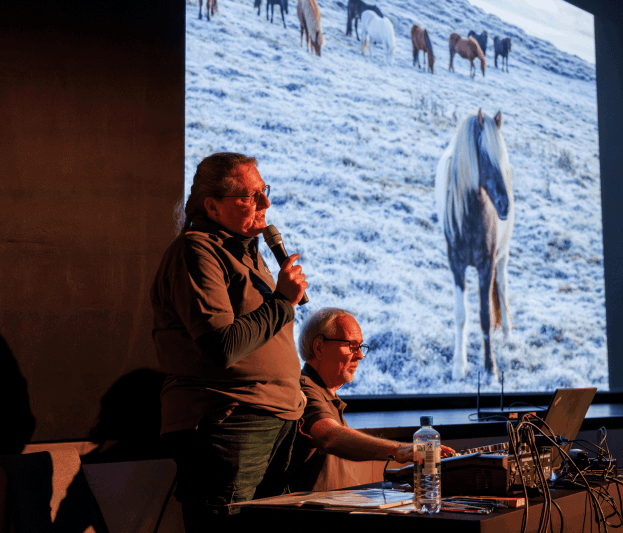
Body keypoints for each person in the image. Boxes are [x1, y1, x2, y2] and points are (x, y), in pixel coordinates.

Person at [150, 152, 308, 531]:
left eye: (264, 190)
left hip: (275, 419)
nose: (265, 202)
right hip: (229, 421)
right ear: (213, 206)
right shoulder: (196, 250)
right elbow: (223, 345)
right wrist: (282, 301)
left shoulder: (248, 253)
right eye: (251, 196)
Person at [288, 308, 455, 492]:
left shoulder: (326, 394)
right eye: (351, 345)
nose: (360, 355)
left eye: (360, 347)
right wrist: (399, 450)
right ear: (319, 347)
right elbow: (330, 436)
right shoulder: (304, 390)